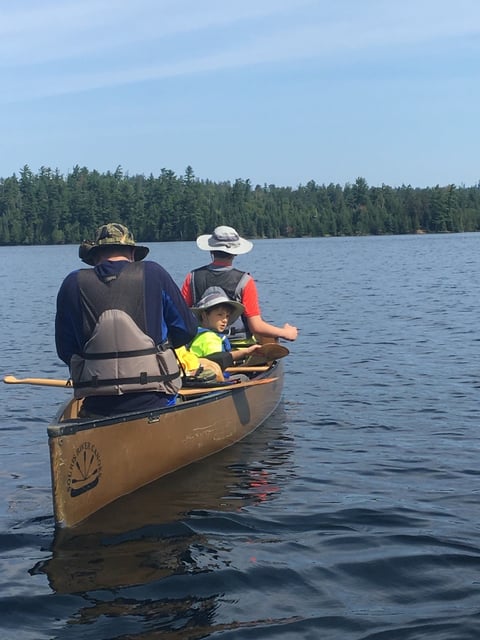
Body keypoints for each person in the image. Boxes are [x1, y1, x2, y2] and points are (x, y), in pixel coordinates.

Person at [55, 222, 198, 417]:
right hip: (156, 400)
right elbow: (187, 329)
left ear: (94, 256)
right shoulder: (154, 273)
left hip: (97, 405)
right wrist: (160, 346)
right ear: (132, 253)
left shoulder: (72, 283)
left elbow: (65, 350)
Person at [181, 225, 298, 344]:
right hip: (238, 343)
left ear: (211, 250)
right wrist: (286, 333)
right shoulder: (245, 281)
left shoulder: (192, 277)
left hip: (201, 343)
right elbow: (256, 326)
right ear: (235, 253)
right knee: (272, 342)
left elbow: (181, 316)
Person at [189, 287, 262, 371]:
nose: (225, 320)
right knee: (243, 377)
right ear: (204, 316)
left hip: (197, 373)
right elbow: (217, 363)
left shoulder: (197, 334)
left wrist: (246, 351)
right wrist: (246, 352)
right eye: (220, 315)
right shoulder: (210, 338)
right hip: (208, 375)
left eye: (227, 316)